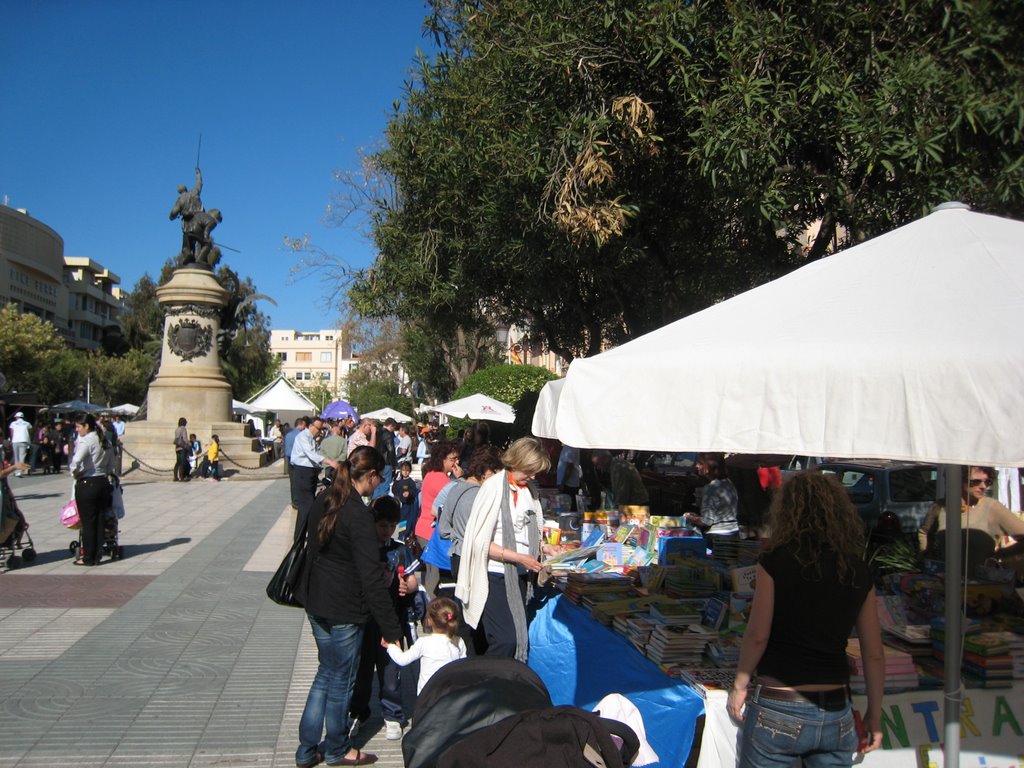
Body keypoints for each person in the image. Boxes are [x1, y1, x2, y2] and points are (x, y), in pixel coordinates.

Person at [727, 471, 884, 767]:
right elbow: (873, 653)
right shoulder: (858, 570)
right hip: (836, 707)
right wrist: (875, 712)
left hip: (778, 704)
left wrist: (740, 684)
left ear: (786, 512)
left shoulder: (775, 561)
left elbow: (758, 634)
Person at [295, 446, 403, 768]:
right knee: (340, 679)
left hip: (317, 601)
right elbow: (371, 580)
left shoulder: (326, 499)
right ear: (370, 476)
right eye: (379, 477)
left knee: (325, 674)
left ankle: (306, 749)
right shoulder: (358, 515)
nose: (379, 483)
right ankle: (338, 748)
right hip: (344, 608)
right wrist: (392, 630)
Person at [455, 438, 564, 661]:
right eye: (530, 470)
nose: (533, 477)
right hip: (494, 574)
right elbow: (479, 542)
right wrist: (519, 557)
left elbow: (529, 534)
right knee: (507, 639)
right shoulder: (493, 488)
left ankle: (500, 684)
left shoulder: (530, 492)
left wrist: (545, 547)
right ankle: (485, 680)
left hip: (520, 575)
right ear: (517, 462)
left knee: (514, 637)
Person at [348, 496, 419, 742]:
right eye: (382, 525)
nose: (386, 530)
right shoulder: (363, 548)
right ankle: (358, 712)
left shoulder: (400, 550)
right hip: (365, 620)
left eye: (391, 525)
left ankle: (392, 714)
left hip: (392, 620)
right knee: (362, 671)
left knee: (391, 672)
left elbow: (413, 580)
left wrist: (406, 586)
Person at [918, 465, 1024, 564]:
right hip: (942, 577)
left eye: (988, 482)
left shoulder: (992, 507)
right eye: (975, 481)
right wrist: (926, 556)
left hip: (978, 580)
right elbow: (924, 532)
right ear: (957, 480)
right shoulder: (940, 506)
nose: (983, 486)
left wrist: (999, 555)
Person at [385, 596, 466, 694]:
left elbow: (403, 660)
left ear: (429, 620)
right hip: (450, 695)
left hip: (427, 696)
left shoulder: (424, 642)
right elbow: (463, 668)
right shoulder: (458, 641)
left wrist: (391, 646)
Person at [414, 441, 462, 596]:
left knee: (430, 572)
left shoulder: (430, 474)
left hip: (422, 527)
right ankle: (432, 608)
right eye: (452, 459)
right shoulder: (441, 480)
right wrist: (460, 478)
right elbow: (455, 501)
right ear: (442, 459)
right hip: (430, 530)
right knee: (433, 575)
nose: (456, 462)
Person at [68, 413, 114, 567]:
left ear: (86, 426)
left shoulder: (87, 440)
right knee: (99, 520)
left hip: (88, 482)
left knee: (88, 522)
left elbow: (76, 460)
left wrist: (75, 473)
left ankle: (87, 557)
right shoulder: (105, 440)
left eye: (78, 426)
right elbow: (111, 463)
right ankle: (96, 554)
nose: (77, 430)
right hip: (102, 482)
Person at [291, 418, 340, 542]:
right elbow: (312, 454)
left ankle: (304, 535)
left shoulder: (311, 439)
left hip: (309, 473)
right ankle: (299, 538)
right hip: (302, 472)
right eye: (318, 428)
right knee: (306, 506)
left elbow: (317, 454)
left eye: (321, 429)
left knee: (309, 506)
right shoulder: (303, 437)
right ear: (310, 426)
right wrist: (329, 461)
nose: (319, 431)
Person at [685, 452, 740, 548]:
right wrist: (697, 517)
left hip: (718, 536)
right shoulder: (729, 483)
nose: (696, 466)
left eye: (699, 463)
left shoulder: (711, 487)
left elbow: (707, 521)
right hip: (733, 533)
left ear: (709, 465)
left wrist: (690, 518)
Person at [372, 418, 398, 500]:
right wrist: (394, 464)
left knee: (376, 484)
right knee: (385, 484)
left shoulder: (377, 432)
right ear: (391, 426)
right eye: (393, 428)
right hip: (386, 462)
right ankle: (382, 503)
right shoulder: (388, 434)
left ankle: (374, 503)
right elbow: (391, 450)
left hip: (377, 461)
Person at [391, 461, 418, 539]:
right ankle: (396, 535)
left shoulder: (411, 482)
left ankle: (403, 535)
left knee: (404, 520)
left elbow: (414, 492)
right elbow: (394, 490)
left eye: (407, 471)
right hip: (399, 504)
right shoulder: (399, 481)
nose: (405, 472)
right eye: (403, 470)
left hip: (407, 505)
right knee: (398, 519)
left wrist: (409, 493)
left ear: (409, 471)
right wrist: (396, 481)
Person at [9, 412, 31, 477]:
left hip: (15, 441)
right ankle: (20, 472)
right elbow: (29, 431)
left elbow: (11, 433)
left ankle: (16, 471)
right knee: (22, 457)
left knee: (16, 457)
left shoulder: (13, 423)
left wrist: (12, 439)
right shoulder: (27, 423)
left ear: (16, 417)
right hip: (24, 440)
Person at [173, 417, 190, 482]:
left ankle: (175, 477)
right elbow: (185, 439)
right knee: (182, 463)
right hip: (182, 447)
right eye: (185, 421)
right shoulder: (183, 429)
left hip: (177, 447)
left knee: (178, 462)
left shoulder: (177, 429)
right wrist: (189, 444)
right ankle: (181, 477)